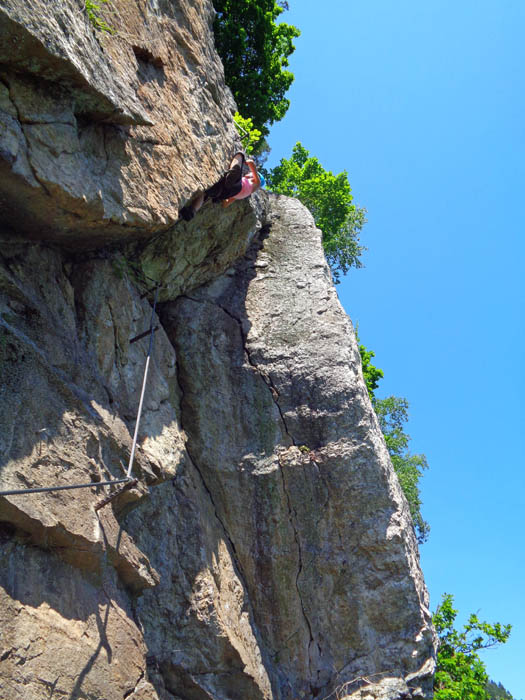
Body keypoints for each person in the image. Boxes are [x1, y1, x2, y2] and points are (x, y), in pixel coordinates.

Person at [179, 152, 264, 221]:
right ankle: (192, 211)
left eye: (251, 173)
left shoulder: (255, 184)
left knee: (240, 155)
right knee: (204, 193)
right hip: (225, 193)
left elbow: (251, 163)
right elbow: (225, 204)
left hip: (236, 186)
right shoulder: (246, 192)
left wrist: (245, 161)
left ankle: (233, 173)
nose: (249, 173)